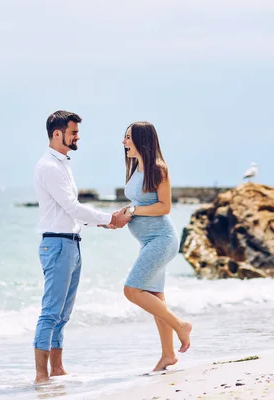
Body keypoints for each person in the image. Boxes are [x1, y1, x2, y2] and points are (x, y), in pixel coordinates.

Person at [33, 110, 130, 384]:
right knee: (51, 312)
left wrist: (102, 224)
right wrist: (110, 218)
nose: (78, 137)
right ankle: (41, 375)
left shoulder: (63, 164)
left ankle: (58, 369)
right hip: (57, 245)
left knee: (63, 314)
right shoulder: (49, 167)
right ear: (57, 134)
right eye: (73, 132)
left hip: (71, 244)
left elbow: (69, 212)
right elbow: (72, 207)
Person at [119, 121, 193, 371]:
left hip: (162, 240)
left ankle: (181, 325)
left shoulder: (158, 168)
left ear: (141, 139)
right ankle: (168, 355)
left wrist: (133, 210)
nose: (124, 142)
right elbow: (139, 204)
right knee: (154, 297)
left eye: (128, 137)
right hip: (148, 242)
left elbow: (164, 206)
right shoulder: (137, 167)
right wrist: (121, 217)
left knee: (131, 290)